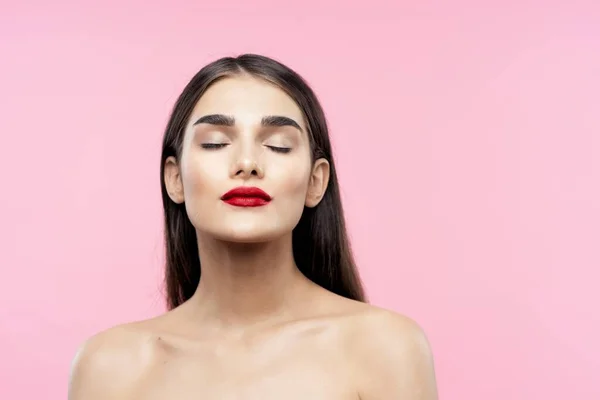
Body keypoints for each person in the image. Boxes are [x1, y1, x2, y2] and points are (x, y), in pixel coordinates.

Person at [68, 54, 438, 399]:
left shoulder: (386, 348)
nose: (247, 163)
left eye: (278, 146)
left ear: (316, 182)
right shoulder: (108, 368)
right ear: (174, 178)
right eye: (215, 143)